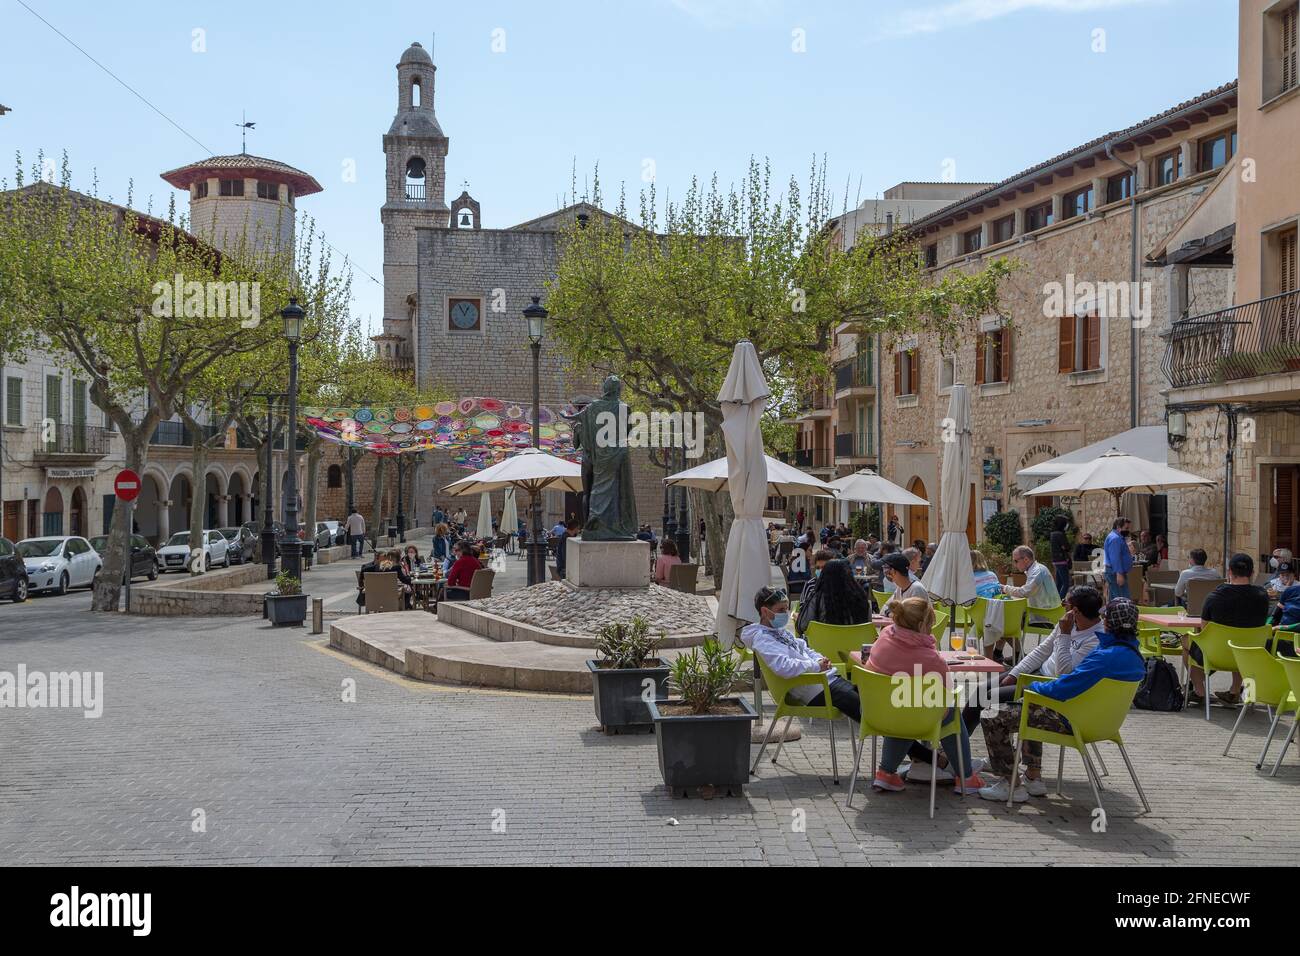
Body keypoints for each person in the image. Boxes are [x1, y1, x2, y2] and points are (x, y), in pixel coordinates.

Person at [978, 597, 1146, 802]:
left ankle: (1009, 784)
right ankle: (1032, 776)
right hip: (1104, 724)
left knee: (992, 714)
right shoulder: (1136, 658)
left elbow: (1062, 688)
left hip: (1073, 720)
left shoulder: (1104, 657)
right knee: (1030, 706)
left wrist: (1031, 687)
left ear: (1109, 623)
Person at [862, 597, 985, 794]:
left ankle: (885, 774)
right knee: (948, 711)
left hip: (876, 713)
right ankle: (965, 777)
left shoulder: (883, 638)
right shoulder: (931, 659)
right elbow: (947, 695)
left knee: (902, 708)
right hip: (915, 719)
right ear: (921, 625)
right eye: (930, 623)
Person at [1190, 552, 1269, 707]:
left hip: (1217, 655)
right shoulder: (1262, 596)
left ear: (1229, 572)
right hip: (1248, 655)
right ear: (1252, 573)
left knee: (1187, 643)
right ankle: (1236, 692)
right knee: (1243, 640)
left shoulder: (1215, 596)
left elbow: (1203, 629)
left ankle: (1199, 692)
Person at [796, 557, 873, 636]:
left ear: (823, 576)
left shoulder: (817, 599)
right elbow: (868, 623)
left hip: (823, 645)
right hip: (855, 645)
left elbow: (802, 626)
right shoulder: (861, 598)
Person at [1001, 545, 1062, 619]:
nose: (1014, 564)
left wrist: (1005, 588)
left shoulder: (1037, 571)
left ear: (1026, 559)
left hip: (1047, 616)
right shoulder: (1036, 569)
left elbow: (1025, 592)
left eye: (1016, 561)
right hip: (1047, 612)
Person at [1103, 516, 1134, 600]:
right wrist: (1119, 574)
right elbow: (1115, 558)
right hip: (1115, 572)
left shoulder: (1117, 537)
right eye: (1126, 528)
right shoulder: (1115, 539)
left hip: (1114, 571)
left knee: (1114, 599)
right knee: (1123, 599)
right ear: (1118, 527)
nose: (1128, 530)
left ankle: (1111, 613)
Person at [1049, 514, 1072, 599]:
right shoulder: (1060, 534)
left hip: (1056, 560)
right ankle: (1060, 601)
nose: (1067, 525)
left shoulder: (1053, 534)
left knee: (1059, 582)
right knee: (1066, 583)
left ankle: (1055, 600)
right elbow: (1066, 547)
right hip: (1062, 560)